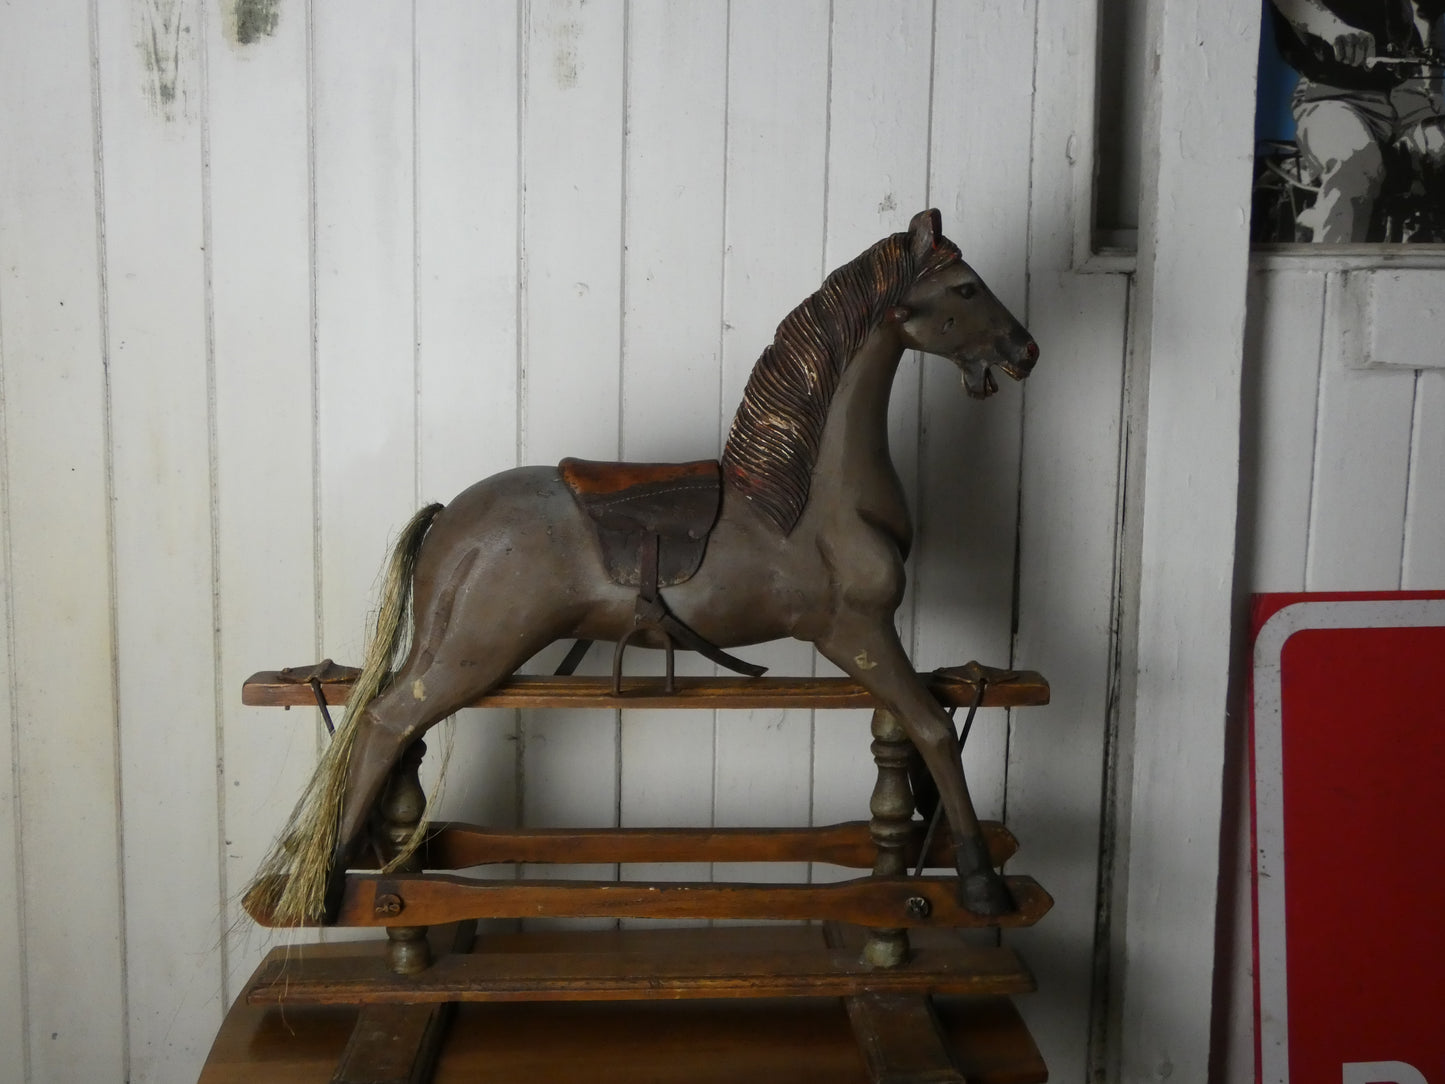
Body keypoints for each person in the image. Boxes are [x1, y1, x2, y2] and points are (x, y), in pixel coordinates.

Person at [1269, 0, 1445, 241]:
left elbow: (1428, 11)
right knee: (1355, 160)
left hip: (1407, 94)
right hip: (1333, 93)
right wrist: (1333, 28)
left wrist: (1433, 89)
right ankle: (1335, 273)